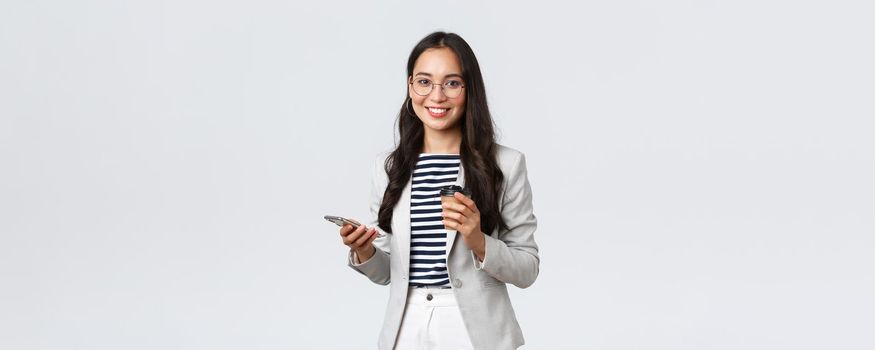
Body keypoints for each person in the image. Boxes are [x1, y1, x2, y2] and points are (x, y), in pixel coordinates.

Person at [337, 31, 539, 350]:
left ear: (469, 89)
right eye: (424, 81)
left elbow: (527, 268)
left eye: (452, 83)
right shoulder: (388, 167)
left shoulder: (506, 163)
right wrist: (364, 251)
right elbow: (389, 272)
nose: (436, 96)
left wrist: (478, 241)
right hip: (406, 326)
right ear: (410, 87)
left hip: (475, 330)